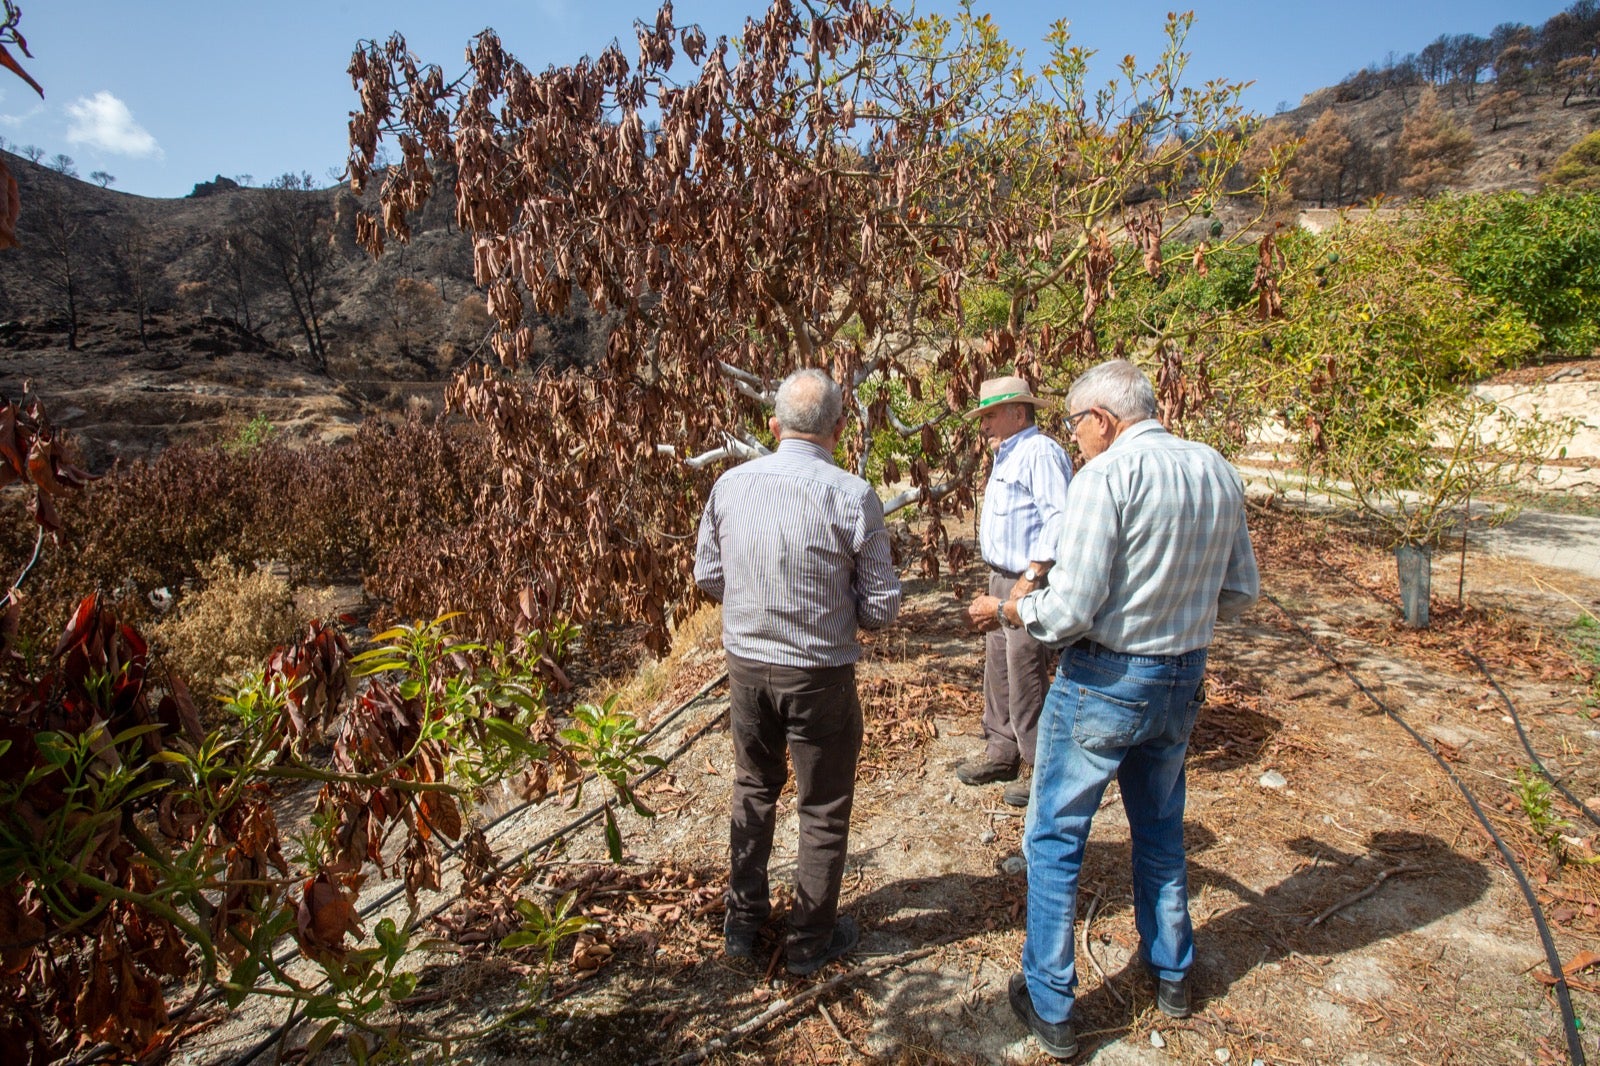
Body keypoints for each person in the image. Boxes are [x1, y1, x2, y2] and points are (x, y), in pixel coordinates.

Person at [969, 359, 1259, 1060]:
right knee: (1159, 829)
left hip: (1106, 677)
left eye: (1076, 425)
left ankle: (1051, 1002)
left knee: (1055, 835)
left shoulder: (1106, 476)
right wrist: (1177, 619)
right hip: (1182, 674)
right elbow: (1241, 592)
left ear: (1101, 419)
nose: (1075, 440)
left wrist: (1015, 607)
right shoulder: (1216, 468)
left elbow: (1069, 611)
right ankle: (1173, 974)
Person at [694, 367, 903, 977]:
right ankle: (810, 941)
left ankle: (742, 924)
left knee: (754, 788)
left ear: (774, 425)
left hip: (748, 668)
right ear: (840, 428)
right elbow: (882, 609)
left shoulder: (731, 487)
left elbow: (708, 577)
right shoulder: (853, 494)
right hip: (819, 675)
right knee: (823, 805)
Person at [958, 375, 1073, 808]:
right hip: (1002, 575)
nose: (983, 425)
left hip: (1028, 579)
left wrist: (1028, 581)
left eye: (990, 415)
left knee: (1025, 668)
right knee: (999, 667)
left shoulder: (1039, 452)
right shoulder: (1009, 455)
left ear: (1018, 413)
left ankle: (1041, 768)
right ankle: (1002, 751)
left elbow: (1059, 519)